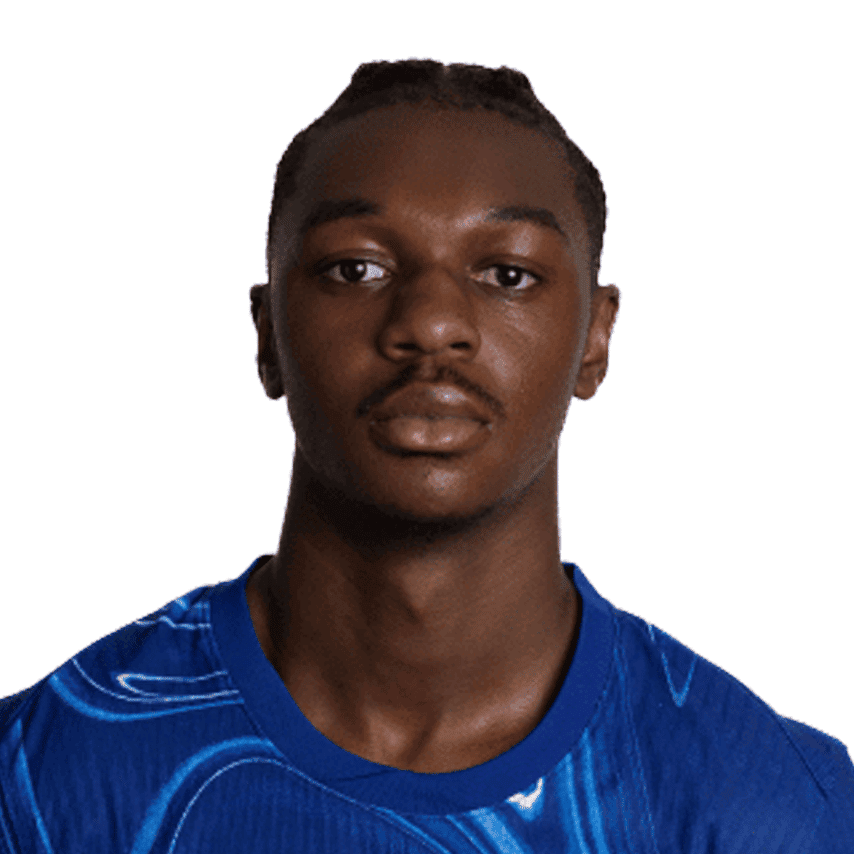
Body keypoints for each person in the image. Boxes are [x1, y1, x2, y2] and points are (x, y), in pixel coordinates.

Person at [1, 59, 851, 853]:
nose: (431, 322)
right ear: (268, 336)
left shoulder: (773, 808)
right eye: (356, 269)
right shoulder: (43, 779)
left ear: (595, 340)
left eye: (507, 275)